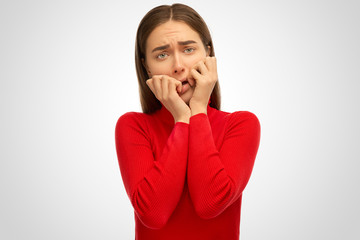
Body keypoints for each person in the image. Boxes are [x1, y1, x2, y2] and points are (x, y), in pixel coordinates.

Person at [115, 3, 260, 240]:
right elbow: (153, 215)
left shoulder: (242, 124)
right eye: (162, 54)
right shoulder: (133, 126)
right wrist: (182, 118)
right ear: (146, 66)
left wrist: (198, 109)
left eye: (189, 50)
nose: (178, 66)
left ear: (208, 54)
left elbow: (209, 203)